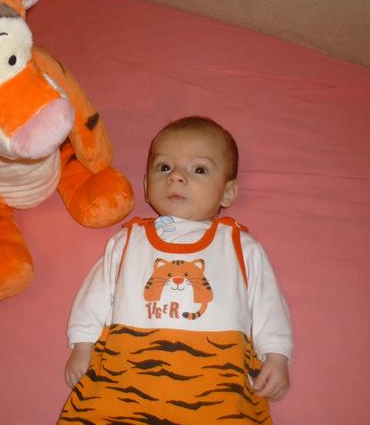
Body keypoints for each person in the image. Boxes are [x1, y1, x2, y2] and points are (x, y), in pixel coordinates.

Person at [58, 116, 292, 424]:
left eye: (199, 169)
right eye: (164, 167)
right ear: (146, 186)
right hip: (127, 374)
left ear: (228, 192)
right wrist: (82, 345)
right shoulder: (129, 241)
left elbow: (267, 302)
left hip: (217, 378)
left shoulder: (240, 246)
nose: (176, 177)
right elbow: (96, 294)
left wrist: (276, 355)